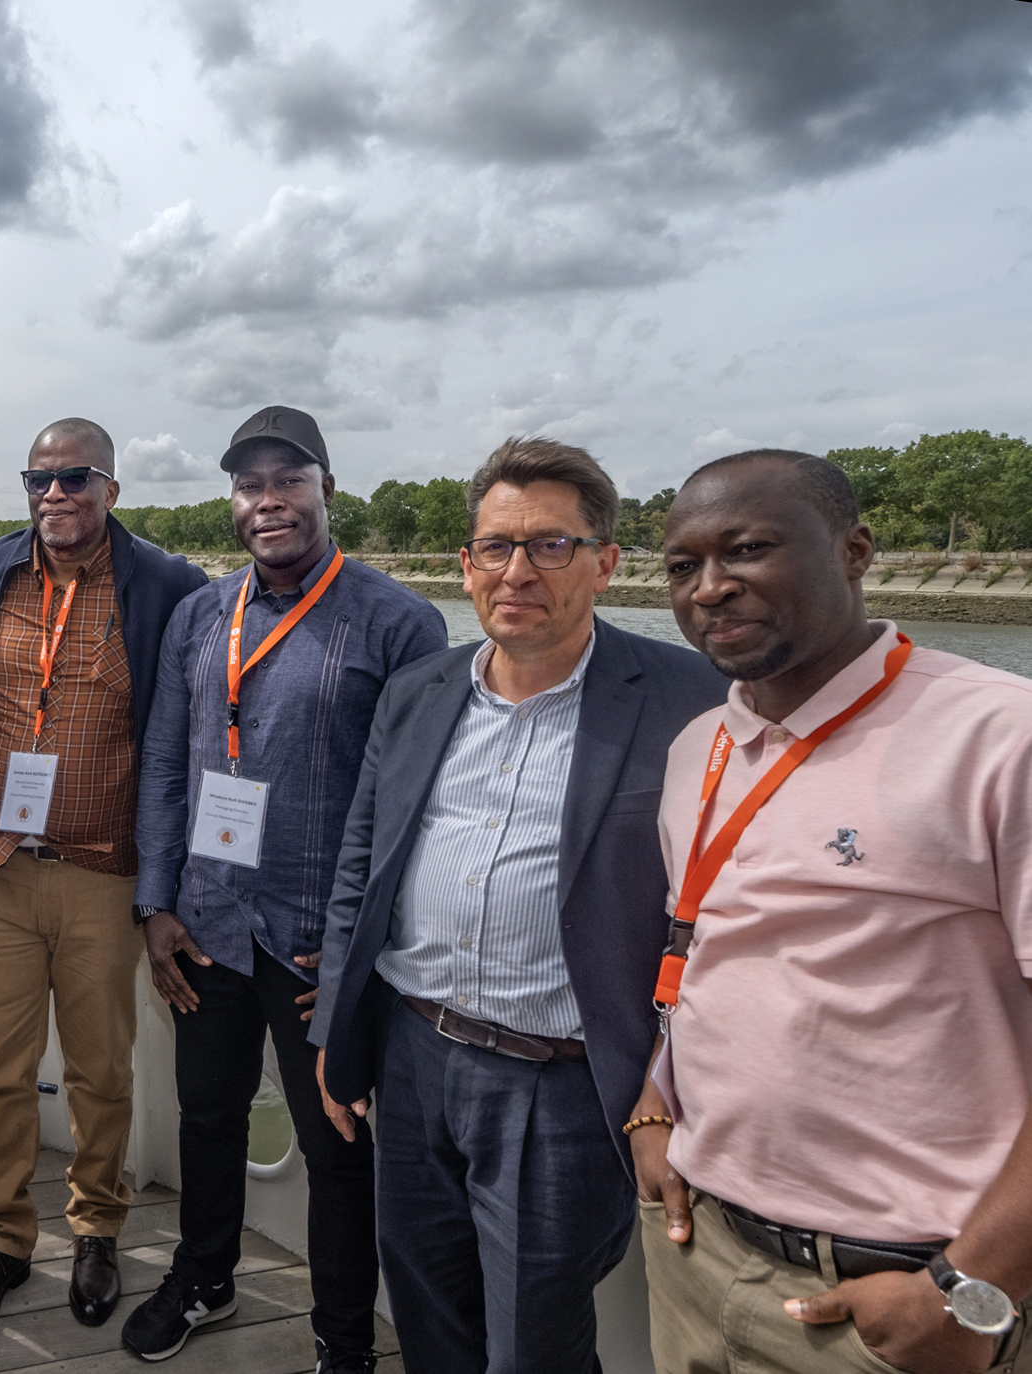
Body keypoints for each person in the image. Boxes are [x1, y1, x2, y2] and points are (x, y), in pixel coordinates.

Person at [308, 437, 728, 1373]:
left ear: (605, 564)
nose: (517, 571)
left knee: (534, 1346)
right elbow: (360, 868)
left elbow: (723, 911)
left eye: (550, 545)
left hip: (563, 1083)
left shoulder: (690, 700)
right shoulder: (417, 691)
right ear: (465, 565)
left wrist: (667, 1085)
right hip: (411, 1057)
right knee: (427, 1314)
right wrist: (337, 1029)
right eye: (496, 546)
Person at [633, 449, 1032, 1374]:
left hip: (902, 1288)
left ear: (854, 551)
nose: (709, 587)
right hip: (696, 1249)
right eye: (684, 565)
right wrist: (654, 1102)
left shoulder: (999, 736)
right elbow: (707, 950)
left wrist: (968, 1289)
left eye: (746, 549)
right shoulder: (697, 747)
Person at [124, 405, 448, 1370]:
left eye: (288, 481)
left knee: (336, 1149)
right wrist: (155, 903)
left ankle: (342, 1342)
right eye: (249, 485)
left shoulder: (398, 622)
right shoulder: (198, 615)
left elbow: (413, 807)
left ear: (326, 490)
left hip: (318, 945)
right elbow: (166, 765)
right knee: (206, 1117)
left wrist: (357, 956)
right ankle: (204, 1277)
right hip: (207, 928)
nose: (268, 501)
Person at [0, 418, 207, 1337]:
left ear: (111, 489)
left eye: (75, 478)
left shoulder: (166, 585)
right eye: (39, 479)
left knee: (99, 1072)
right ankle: (0, 1238)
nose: (54, 494)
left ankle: (97, 1228)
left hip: (103, 872)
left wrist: (167, 883)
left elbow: (183, 742)